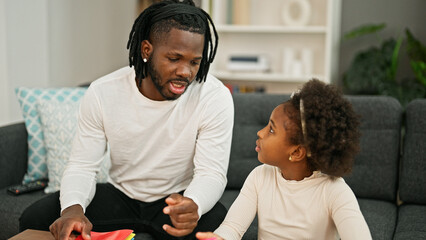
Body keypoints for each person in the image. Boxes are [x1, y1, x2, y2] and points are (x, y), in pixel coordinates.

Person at [19, 1, 234, 239]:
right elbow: (83, 165)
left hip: (176, 200)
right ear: (146, 50)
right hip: (119, 195)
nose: (186, 72)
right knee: (36, 219)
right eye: (174, 58)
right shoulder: (103, 92)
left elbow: (211, 172)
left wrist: (193, 204)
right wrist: (72, 210)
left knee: (218, 223)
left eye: (195, 62)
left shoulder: (214, 96)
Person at [196, 79, 372, 240]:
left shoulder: (335, 191)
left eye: (271, 130)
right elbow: (232, 227)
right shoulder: (260, 176)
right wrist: (219, 238)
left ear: (296, 153)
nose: (260, 133)